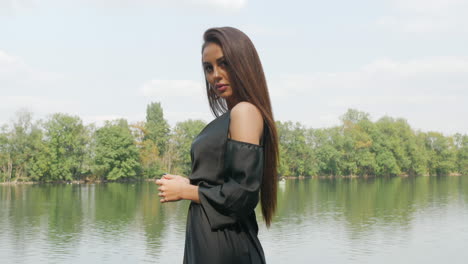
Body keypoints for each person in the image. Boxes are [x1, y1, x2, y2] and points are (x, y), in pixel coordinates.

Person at [155, 26, 279, 264]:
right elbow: (220, 182)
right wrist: (188, 183)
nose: (215, 75)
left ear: (244, 64)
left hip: (225, 247)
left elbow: (242, 195)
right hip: (208, 241)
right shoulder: (229, 118)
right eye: (208, 68)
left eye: (225, 64)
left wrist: (186, 191)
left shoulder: (245, 112)